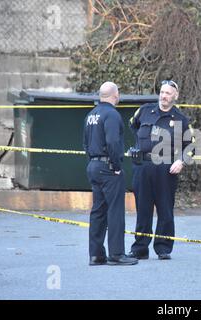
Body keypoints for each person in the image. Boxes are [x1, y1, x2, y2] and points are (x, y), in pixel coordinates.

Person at [128, 80, 192, 260]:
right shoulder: (145, 111)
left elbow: (191, 146)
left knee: (165, 209)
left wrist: (181, 161)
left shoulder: (180, 119)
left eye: (168, 93)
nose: (164, 96)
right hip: (143, 167)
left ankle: (163, 248)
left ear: (175, 96)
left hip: (165, 169)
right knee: (143, 209)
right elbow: (133, 126)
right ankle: (140, 248)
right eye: (162, 92)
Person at [83, 81, 138, 266]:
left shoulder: (91, 115)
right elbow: (113, 142)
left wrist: (94, 162)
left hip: (93, 166)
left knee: (98, 211)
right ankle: (116, 254)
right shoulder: (112, 115)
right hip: (108, 168)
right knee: (115, 211)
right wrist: (115, 165)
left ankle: (96, 254)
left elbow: (85, 142)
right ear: (116, 95)